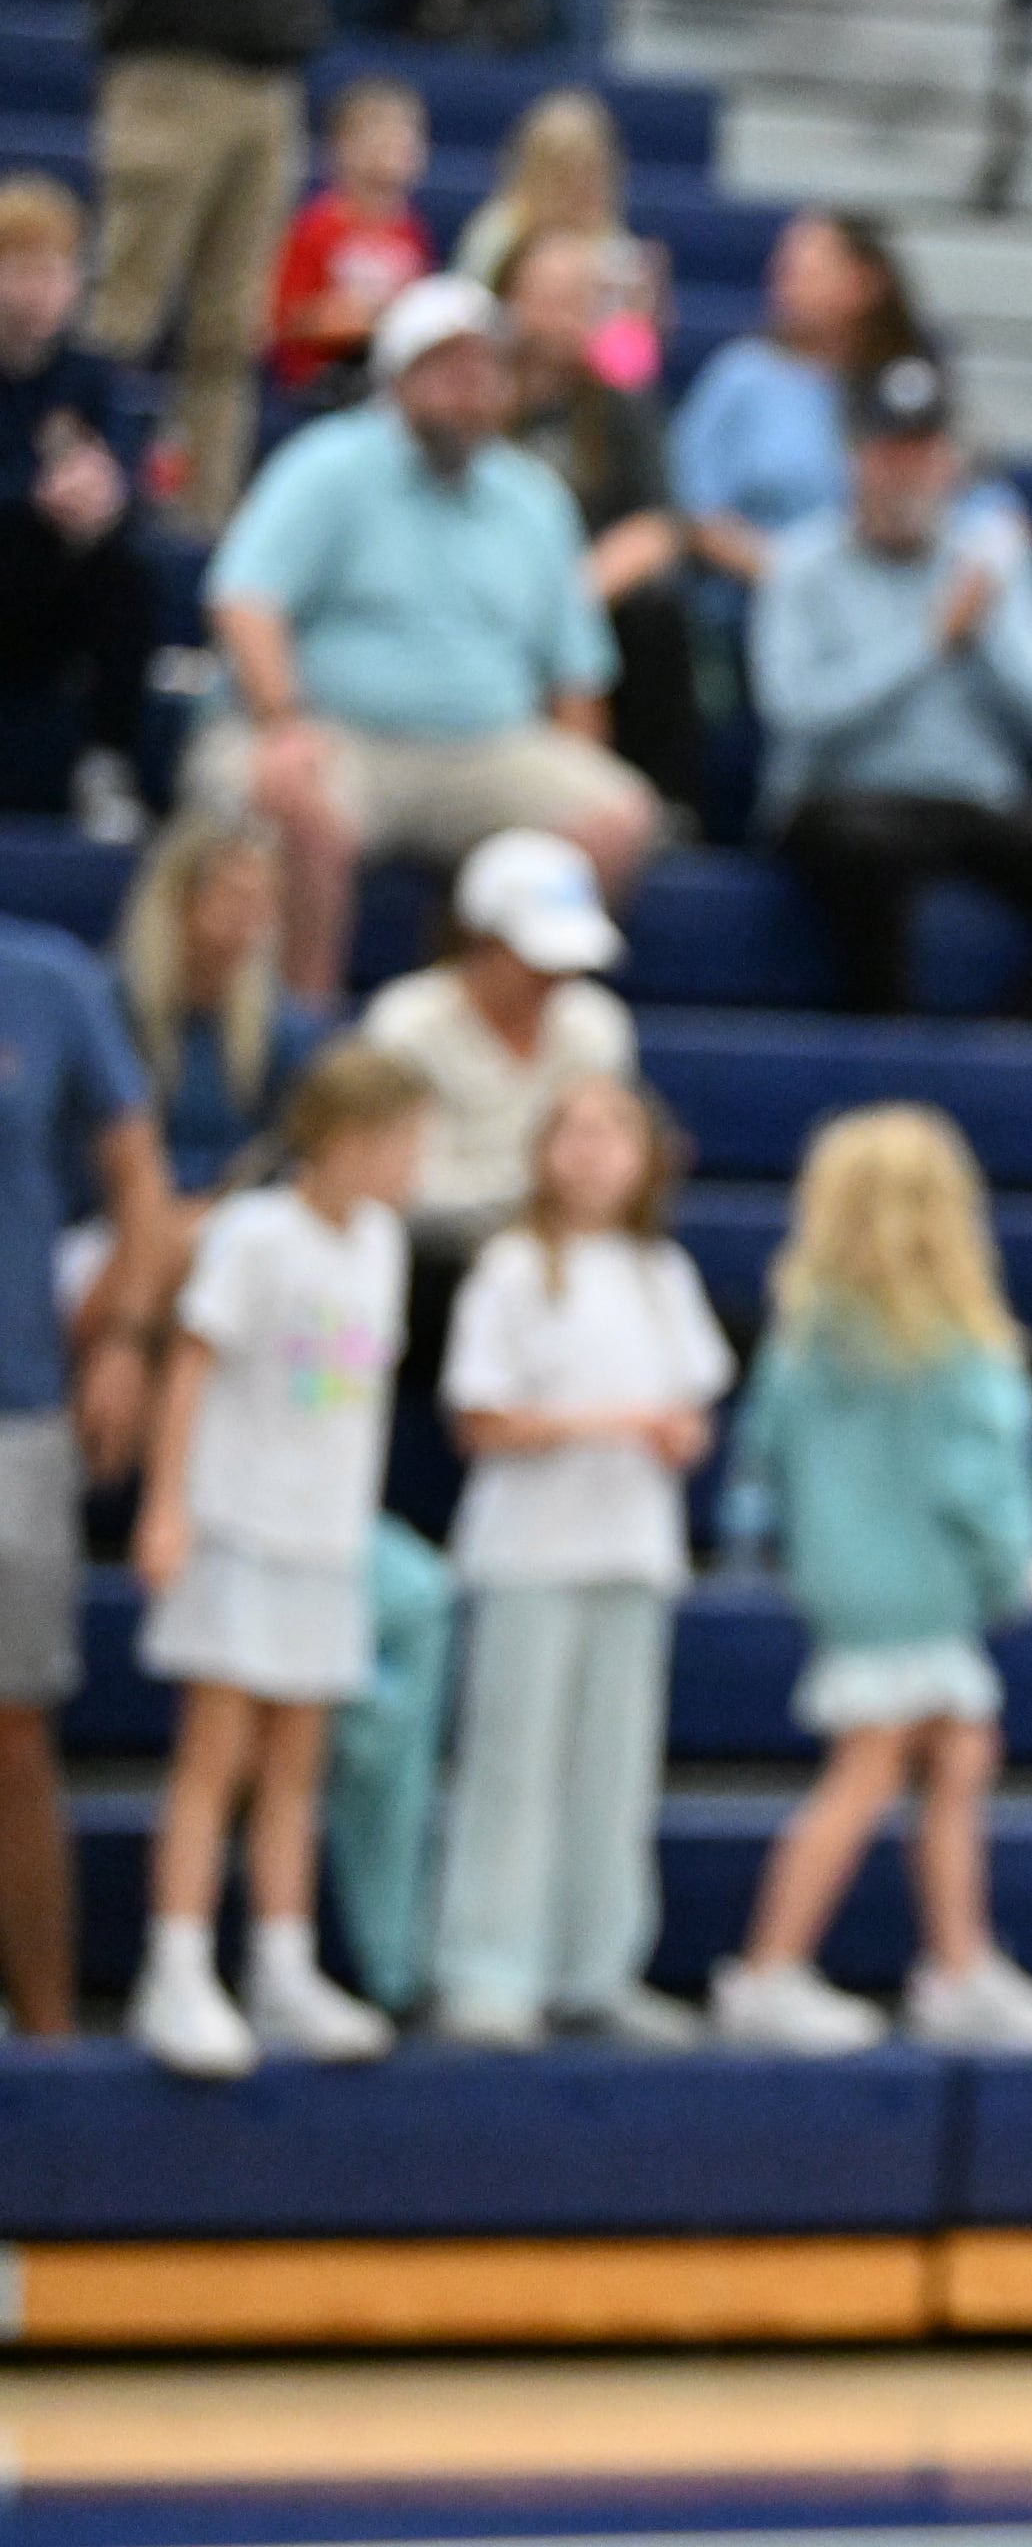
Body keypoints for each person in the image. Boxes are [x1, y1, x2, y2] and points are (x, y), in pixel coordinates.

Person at [712, 1104, 1032, 2056]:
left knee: (962, 1754)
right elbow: (984, 1481)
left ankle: (959, 1965)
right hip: (924, 1588)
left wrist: (762, 1549)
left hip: (840, 1583)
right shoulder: (960, 1348)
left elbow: (761, 1460)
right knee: (868, 1771)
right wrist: (1021, 1573)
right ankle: (766, 1970)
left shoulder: (803, 1338)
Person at [193, 275, 655, 1002]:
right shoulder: (328, 464)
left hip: (481, 747)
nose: (468, 388)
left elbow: (575, 672)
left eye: (484, 370)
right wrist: (283, 722)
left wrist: (577, 762)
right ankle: (302, 1034)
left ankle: (483, 1020)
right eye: (446, 367)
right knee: (296, 801)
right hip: (335, 732)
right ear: (398, 376)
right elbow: (246, 601)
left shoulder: (534, 498)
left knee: (616, 815)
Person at [125, 1039, 429, 2080]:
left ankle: (282, 1963)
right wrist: (167, 1508)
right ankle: (175, 1964)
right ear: (346, 1140)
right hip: (237, 1526)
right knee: (214, 1761)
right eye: (404, 1143)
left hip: (324, 1538)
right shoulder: (257, 1237)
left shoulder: (381, 1243)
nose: (416, 1165)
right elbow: (191, 1367)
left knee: (298, 1766)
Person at [429, 1073, 730, 2049]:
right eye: (576, 1131)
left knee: (615, 1769)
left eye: (614, 1132)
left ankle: (598, 1967)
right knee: (512, 1768)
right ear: (543, 1150)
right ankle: (488, 1970)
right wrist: (616, 1424)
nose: (594, 1150)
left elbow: (692, 1406)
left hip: (631, 1552)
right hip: (528, 1553)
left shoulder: (661, 1271)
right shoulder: (513, 1266)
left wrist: (675, 1435)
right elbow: (479, 1416)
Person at [754, 352, 1032, 1023]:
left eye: (923, 453)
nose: (906, 473)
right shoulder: (800, 565)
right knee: (864, 850)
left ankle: (1006, 1047)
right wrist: (931, 641)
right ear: (855, 460)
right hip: (845, 800)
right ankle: (887, 1040)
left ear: (950, 464)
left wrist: (983, 634)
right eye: (890, 452)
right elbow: (796, 713)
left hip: (971, 802)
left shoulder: (990, 565)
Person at [360, 829, 641, 1536]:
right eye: (536, 959)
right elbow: (396, 1183)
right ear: (478, 939)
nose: (555, 981)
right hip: (429, 1267)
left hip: (546, 1259)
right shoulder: (406, 1025)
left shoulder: (598, 1028)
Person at [0, 918, 171, 2045]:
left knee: (16, 1733)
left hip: (18, 1406)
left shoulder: (49, 981)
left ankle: (48, 2047)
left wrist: (122, 1335)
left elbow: (142, 1195)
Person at [83, 0, 323, 527]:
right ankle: (81, 487)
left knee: (234, 326)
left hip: (271, 73)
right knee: (124, 307)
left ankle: (205, 515)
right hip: (171, 62)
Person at [505, 228, 703, 809]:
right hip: (493, 591)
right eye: (552, 296)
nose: (568, 314)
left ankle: (664, 801)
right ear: (510, 301)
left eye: (582, 298)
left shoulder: (620, 400)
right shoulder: (480, 395)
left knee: (654, 613)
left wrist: (571, 598)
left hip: (588, 595)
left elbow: (660, 527)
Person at [0, 177, 161, 844]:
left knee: (130, 574)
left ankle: (106, 762)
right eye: (26, 269)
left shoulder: (87, 375)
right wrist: (31, 496)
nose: (46, 287)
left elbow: (122, 478)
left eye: (60, 270)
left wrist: (105, 495)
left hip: (48, 577)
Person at [672, 211, 925, 589]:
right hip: (751, 599)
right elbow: (692, 510)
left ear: (865, 283)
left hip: (880, 600)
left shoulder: (903, 388)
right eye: (784, 269)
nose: (785, 281)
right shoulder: (741, 375)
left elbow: (967, 498)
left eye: (807, 271)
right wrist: (794, 581)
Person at [110, 813, 329, 1202]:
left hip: (232, 1218)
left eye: (266, 901)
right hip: (118, 1214)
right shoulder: (108, 1006)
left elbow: (289, 1148)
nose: (253, 920)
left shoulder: (280, 1026)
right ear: (178, 901)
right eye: (235, 897)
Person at [450, 87, 665, 392]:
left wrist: (642, 322)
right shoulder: (497, 232)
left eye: (590, 167)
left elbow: (632, 368)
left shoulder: (618, 249)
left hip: (588, 397)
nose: (580, 180)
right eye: (565, 166)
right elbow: (465, 324)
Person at [265, 75, 429, 399]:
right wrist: (352, 319)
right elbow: (286, 316)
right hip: (322, 373)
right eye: (379, 142)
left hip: (382, 373)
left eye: (403, 142)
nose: (393, 153)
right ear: (340, 149)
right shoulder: (316, 226)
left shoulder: (411, 229)